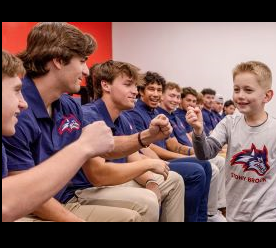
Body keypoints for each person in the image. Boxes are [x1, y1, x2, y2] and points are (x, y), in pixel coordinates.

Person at [3, 23, 172, 222]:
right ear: (58, 60)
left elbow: (97, 146)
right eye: (82, 61)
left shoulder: (67, 105)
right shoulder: (17, 112)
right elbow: (24, 194)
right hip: (28, 209)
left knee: (140, 209)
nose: (86, 71)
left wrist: (145, 137)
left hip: (59, 198)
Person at [2, 50, 115, 222]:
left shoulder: (68, 106)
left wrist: (142, 139)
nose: (23, 103)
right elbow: (7, 203)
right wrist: (82, 147)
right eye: (16, 91)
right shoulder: (22, 120)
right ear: (58, 61)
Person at [187, 61, 276, 222]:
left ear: (267, 96)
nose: (240, 95)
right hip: (236, 207)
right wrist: (198, 132)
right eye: (236, 89)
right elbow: (206, 153)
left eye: (248, 90)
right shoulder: (228, 123)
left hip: (267, 208)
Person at [79, 60, 185, 222]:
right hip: (89, 189)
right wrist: (147, 164)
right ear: (106, 86)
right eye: (128, 85)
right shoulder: (90, 115)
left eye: (135, 86)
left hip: (117, 182)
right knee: (148, 200)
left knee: (174, 180)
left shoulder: (123, 118)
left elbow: (133, 156)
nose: (135, 91)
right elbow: (99, 175)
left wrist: (150, 181)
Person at [127, 71, 212, 222]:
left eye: (159, 90)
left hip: (158, 160)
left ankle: (202, 218)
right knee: (197, 171)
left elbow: (170, 142)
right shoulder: (134, 113)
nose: (156, 94)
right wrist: (176, 159)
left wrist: (189, 154)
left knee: (205, 164)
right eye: (151, 89)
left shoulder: (154, 112)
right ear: (141, 91)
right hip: (149, 162)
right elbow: (146, 147)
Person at [159, 82, 226, 222]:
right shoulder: (163, 115)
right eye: (172, 96)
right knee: (211, 167)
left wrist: (200, 149)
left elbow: (190, 136)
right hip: (169, 157)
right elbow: (172, 145)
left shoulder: (175, 116)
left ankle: (213, 210)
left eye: (177, 96)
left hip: (185, 152)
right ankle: (210, 212)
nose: (175, 100)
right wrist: (192, 153)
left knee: (215, 162)